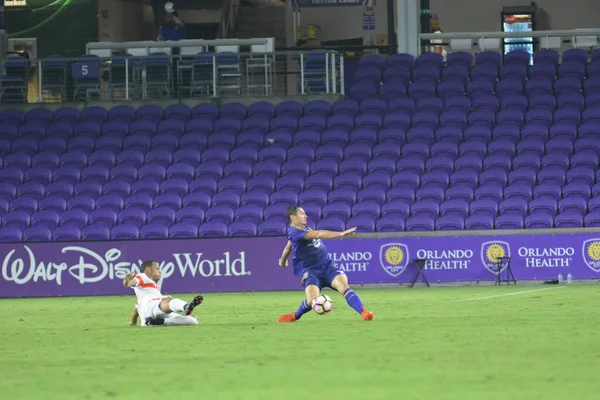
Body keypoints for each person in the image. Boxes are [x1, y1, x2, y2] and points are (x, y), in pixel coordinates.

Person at [277, 205, 375, 322]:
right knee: (311, 300)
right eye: (302, 213)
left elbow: (288, 247)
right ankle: (295, 316)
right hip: (311, 272)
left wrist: (282, 260)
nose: (305, 215)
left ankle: (364, 313)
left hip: (328, 267)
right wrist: (340, 234)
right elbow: (317, 234)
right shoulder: (293, 231)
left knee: (343, 286)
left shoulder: (303, 228)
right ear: (293, 217)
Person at [123, 260, 204, 327]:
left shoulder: (145, 294)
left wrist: (133, 322)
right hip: (152, 305)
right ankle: (186, 306)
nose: (160, 271)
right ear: (148, 270)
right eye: (157, 269)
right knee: (167, 299)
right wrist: (127, 281)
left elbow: (136, 310)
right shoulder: (142, 276)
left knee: (193, 320)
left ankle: (160, 322)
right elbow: (130, 283)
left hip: (150, 315)